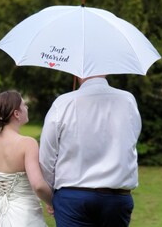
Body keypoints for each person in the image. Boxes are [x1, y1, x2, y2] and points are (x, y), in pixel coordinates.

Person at [39, 75, 141, 227]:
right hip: (116, 196)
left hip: (72, 197)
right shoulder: (127, 100)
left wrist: (51, 192)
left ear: (78, 73)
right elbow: (131, 138)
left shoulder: (63, 103)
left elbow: (47, 156)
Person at [0, 90, 53, 227]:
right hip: (23, 218)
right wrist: (53, 203)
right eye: (24, 105)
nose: (27, 108)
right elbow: (38, 185)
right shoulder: (27, 144)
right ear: (16, 113)